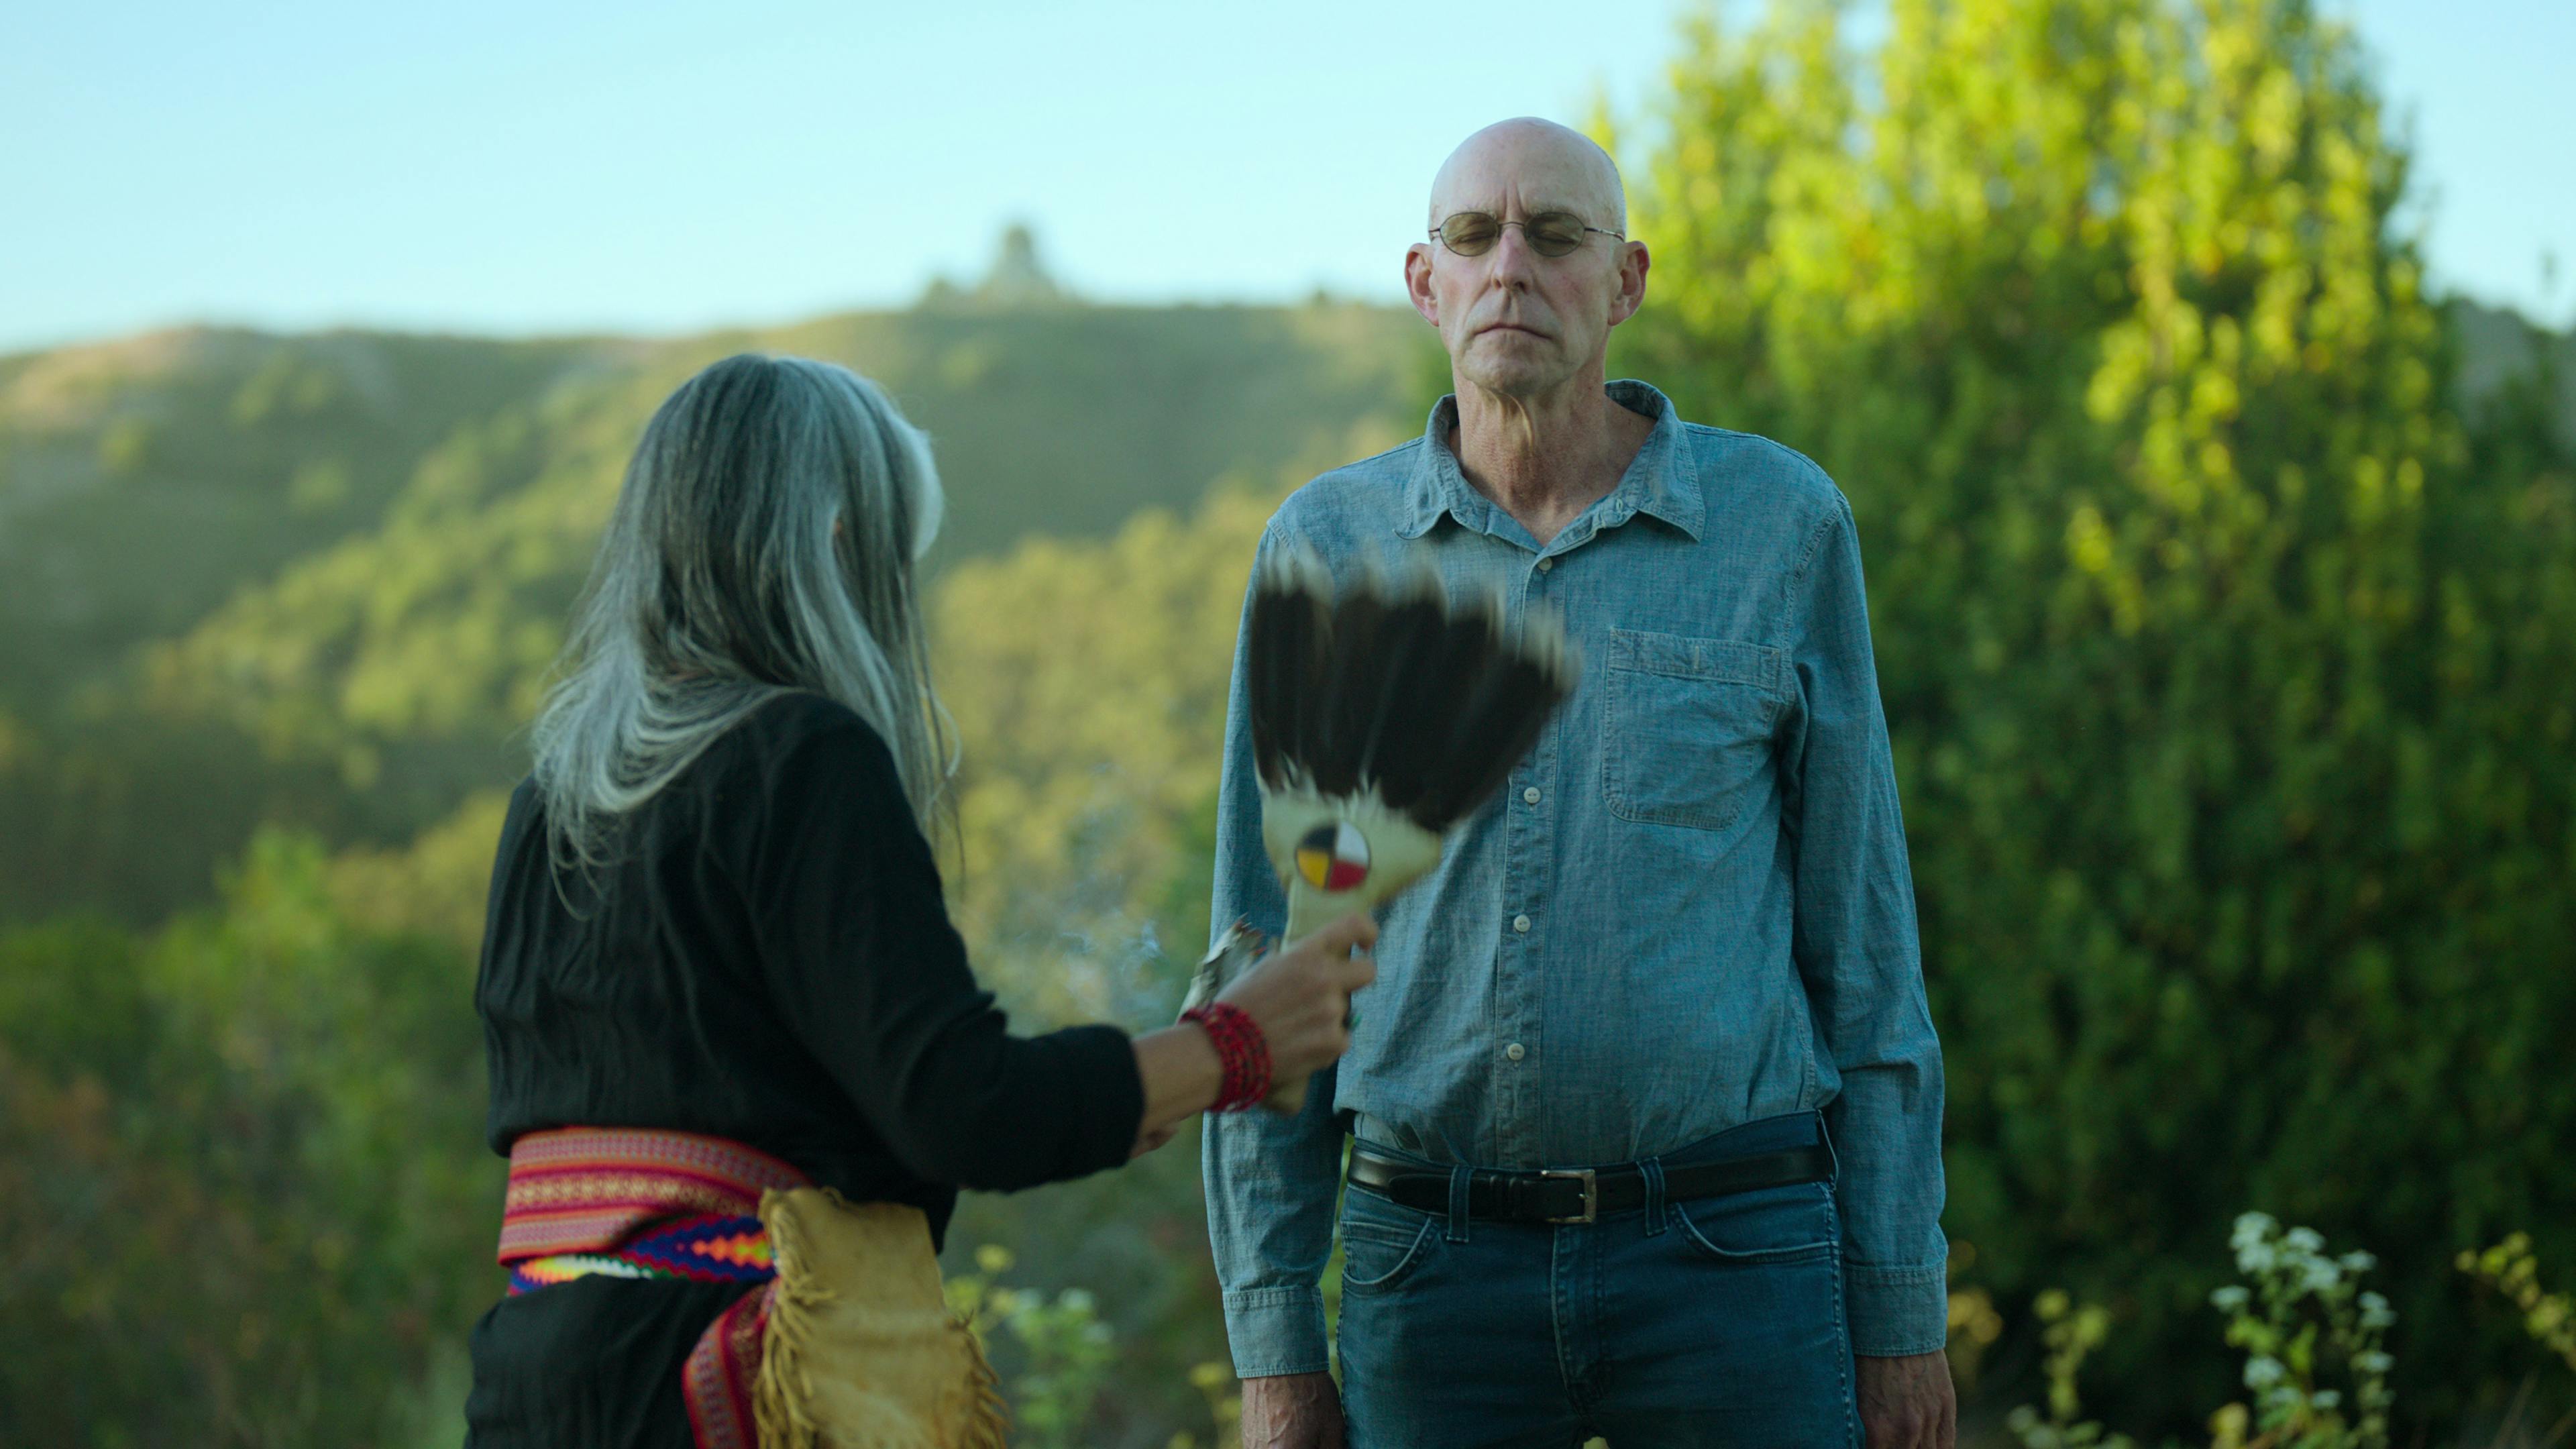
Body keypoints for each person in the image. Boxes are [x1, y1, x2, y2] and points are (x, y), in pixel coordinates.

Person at [1202, 118, 1955, 1449]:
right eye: (1474, 238)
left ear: (1626, 281)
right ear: (1425, 281)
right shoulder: (1325, 552)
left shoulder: (1783, 526)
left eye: (1555, 237)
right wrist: (1273, 1349)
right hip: (1426, 1276)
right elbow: (1270, 977)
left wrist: (1900, 1310)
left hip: (1736, 1260)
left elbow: (1867, 961)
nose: (1512, 271)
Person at [464, 352, 1375, 1448]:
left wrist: (1121, 1092)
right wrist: (1238, 1046)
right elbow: (963, 1110)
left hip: (535, 1377)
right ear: (844, 541)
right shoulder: (801, 754)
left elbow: (759, 1110)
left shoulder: (550, 803)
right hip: (725, 1385)